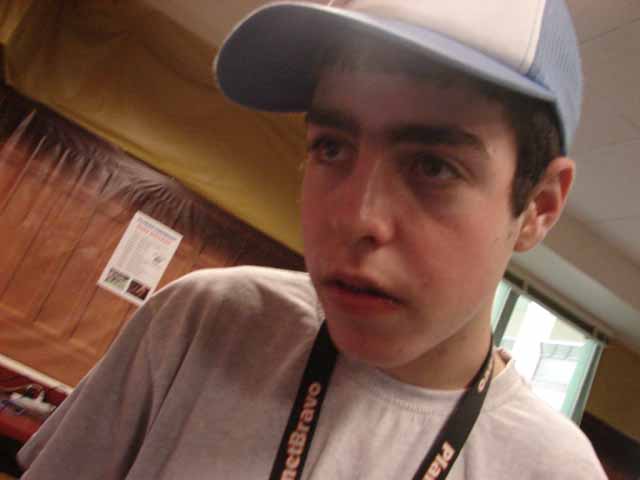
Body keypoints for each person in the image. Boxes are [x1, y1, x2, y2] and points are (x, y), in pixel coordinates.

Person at [18, 1, 607, 478]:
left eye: (433, 166)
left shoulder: (552, 470)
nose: (356, 219)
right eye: (331, 147)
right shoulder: (201, 324)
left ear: (538, 207)